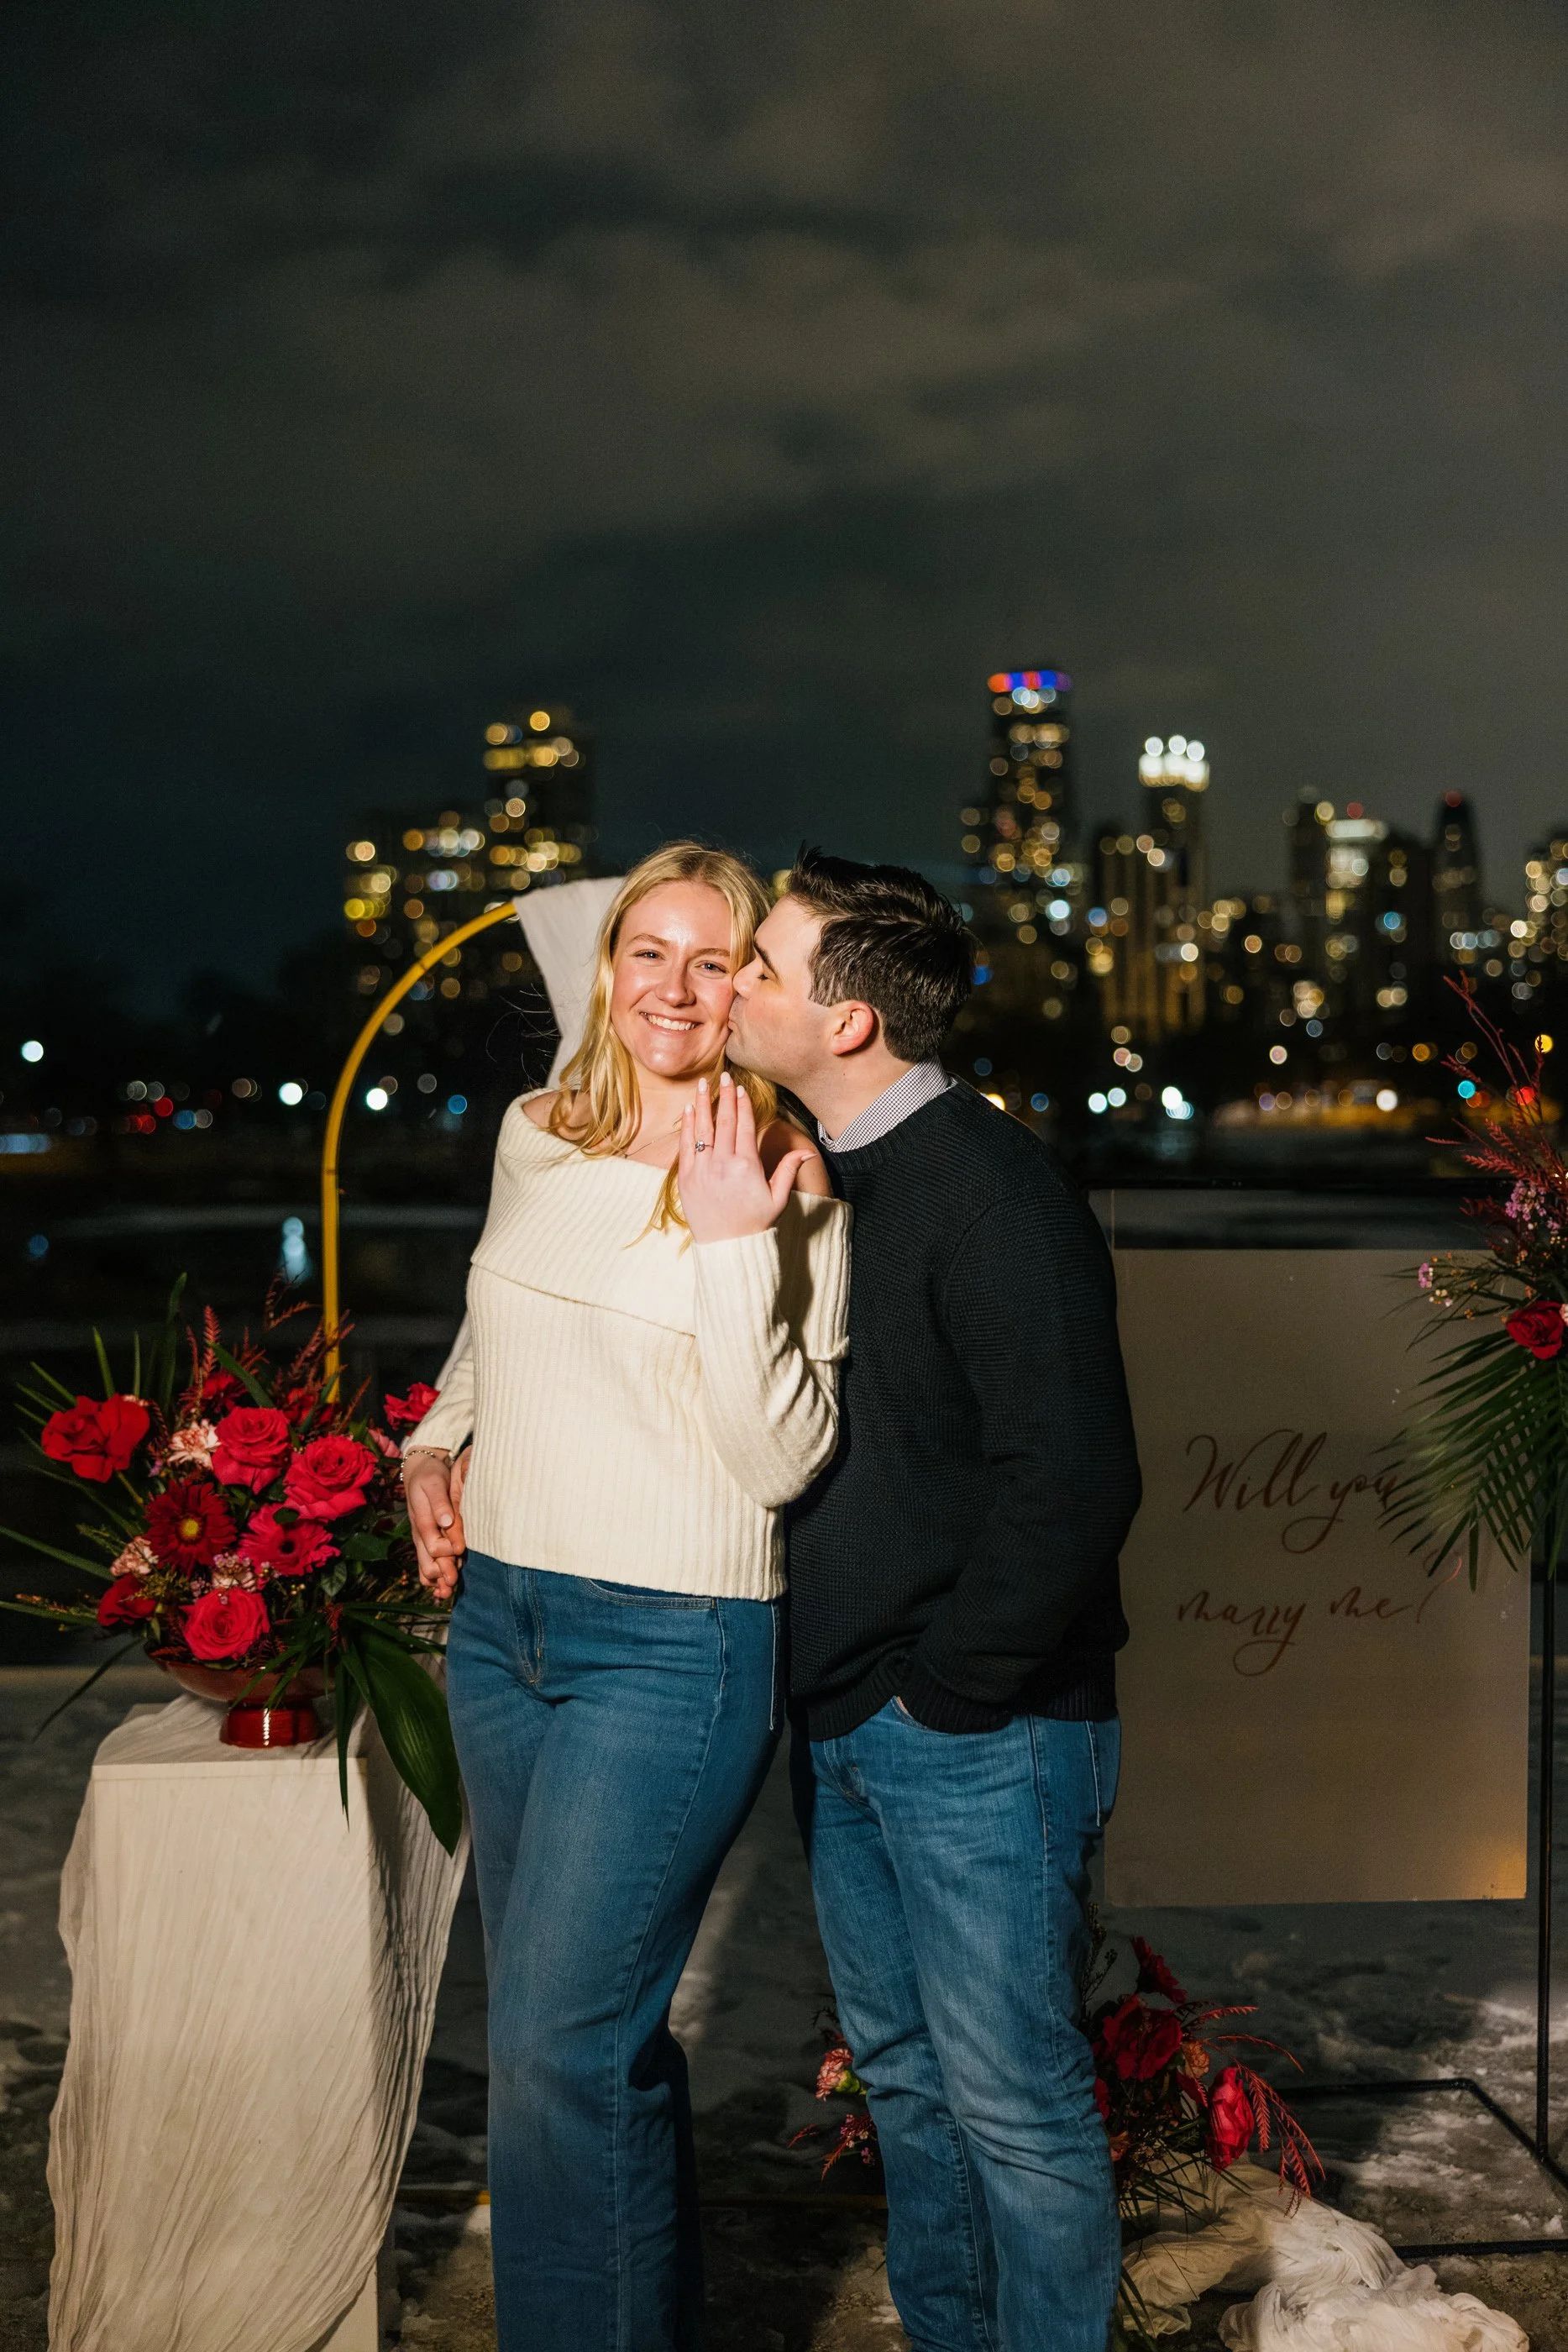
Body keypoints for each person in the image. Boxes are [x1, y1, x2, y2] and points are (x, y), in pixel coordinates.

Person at [401, 842, 850, 2352]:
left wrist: (732, 1249)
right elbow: (496, 1312)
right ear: (604, 971)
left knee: (552, 2048)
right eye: (645, 951)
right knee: (589, 2053)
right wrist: (431, 1446)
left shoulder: (789, 1185)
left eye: (712, 959)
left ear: (750, 990)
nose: (673, 986)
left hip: (672, 1645)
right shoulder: (539, 1131)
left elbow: (784, 1457)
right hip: (501, 1630)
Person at [726, 847, 1142, 2352]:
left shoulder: (990, 1192)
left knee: (1016, 2103)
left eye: (763, 967)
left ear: (846, 1022)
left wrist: (948, 1686)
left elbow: (1077, 1477)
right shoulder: (834, 1176)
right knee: (900, 2078)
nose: (737, 988)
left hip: (977, 1729)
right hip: (849, 1715)